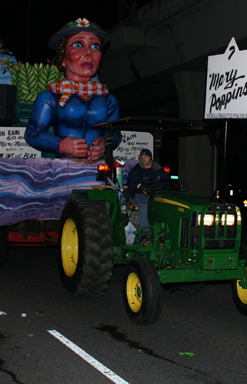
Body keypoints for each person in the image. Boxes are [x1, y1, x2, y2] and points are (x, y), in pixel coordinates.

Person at [24, 18, 120, 162]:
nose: (88, 53)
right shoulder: (50, 97)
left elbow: (116, 133)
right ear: (63, 58)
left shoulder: (108, 99)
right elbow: (32, 134)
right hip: (64, 168)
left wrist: (105, 145)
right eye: (78, 45)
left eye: (95, 46)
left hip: (98, 168)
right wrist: (61, 145)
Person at [126, 149, 170, 228]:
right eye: (142, 157)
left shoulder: (159, 170)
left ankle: (165, 229)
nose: (143, 158)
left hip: (158, 195)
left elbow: (167, 183)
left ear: (150, 158)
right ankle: (145, 231)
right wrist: (140, 187)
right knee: (145, 205)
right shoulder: (135, 171)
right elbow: (131, 186)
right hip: (141, 195)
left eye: (146, 156)